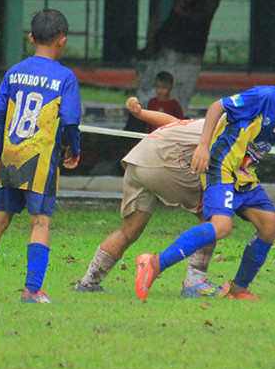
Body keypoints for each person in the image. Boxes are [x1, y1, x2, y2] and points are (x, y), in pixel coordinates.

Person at [134, 53, 275, 301]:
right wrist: (203, 146)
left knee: (270, 226)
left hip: (243, 176)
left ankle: (238, 289)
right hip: (221, 167)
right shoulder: (262, 97)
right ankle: (153, 264)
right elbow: (217, 107)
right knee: (222, 226)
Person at [0, 9, 81, 303]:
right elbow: (69, 120)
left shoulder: (14, 73)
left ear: (31, 38)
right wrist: (74, 148)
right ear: (62, 41)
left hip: (12, 154)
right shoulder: (65, 77)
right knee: (40, 221)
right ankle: (32, 290)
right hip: (40, 160)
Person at [74, 98, 216, 297]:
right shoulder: (226, 128)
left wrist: (141, 114)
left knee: (128, 230)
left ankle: (88, 283)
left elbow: (172, 122)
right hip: (160, 161)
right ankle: (194, 282)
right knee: (212, 218)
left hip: (138, 159)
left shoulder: (203, 123)